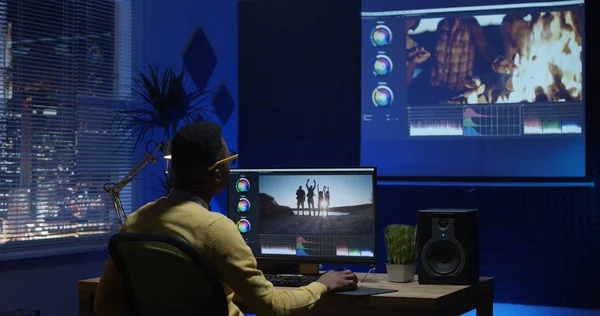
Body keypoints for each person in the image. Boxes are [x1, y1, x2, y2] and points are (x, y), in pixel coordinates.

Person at [94, 122, 358, 316]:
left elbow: (104, 302)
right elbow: (271, 307)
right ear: (218, 177)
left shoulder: (136, 222)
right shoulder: (216, 229)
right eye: (229, 158)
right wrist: (321, 285)